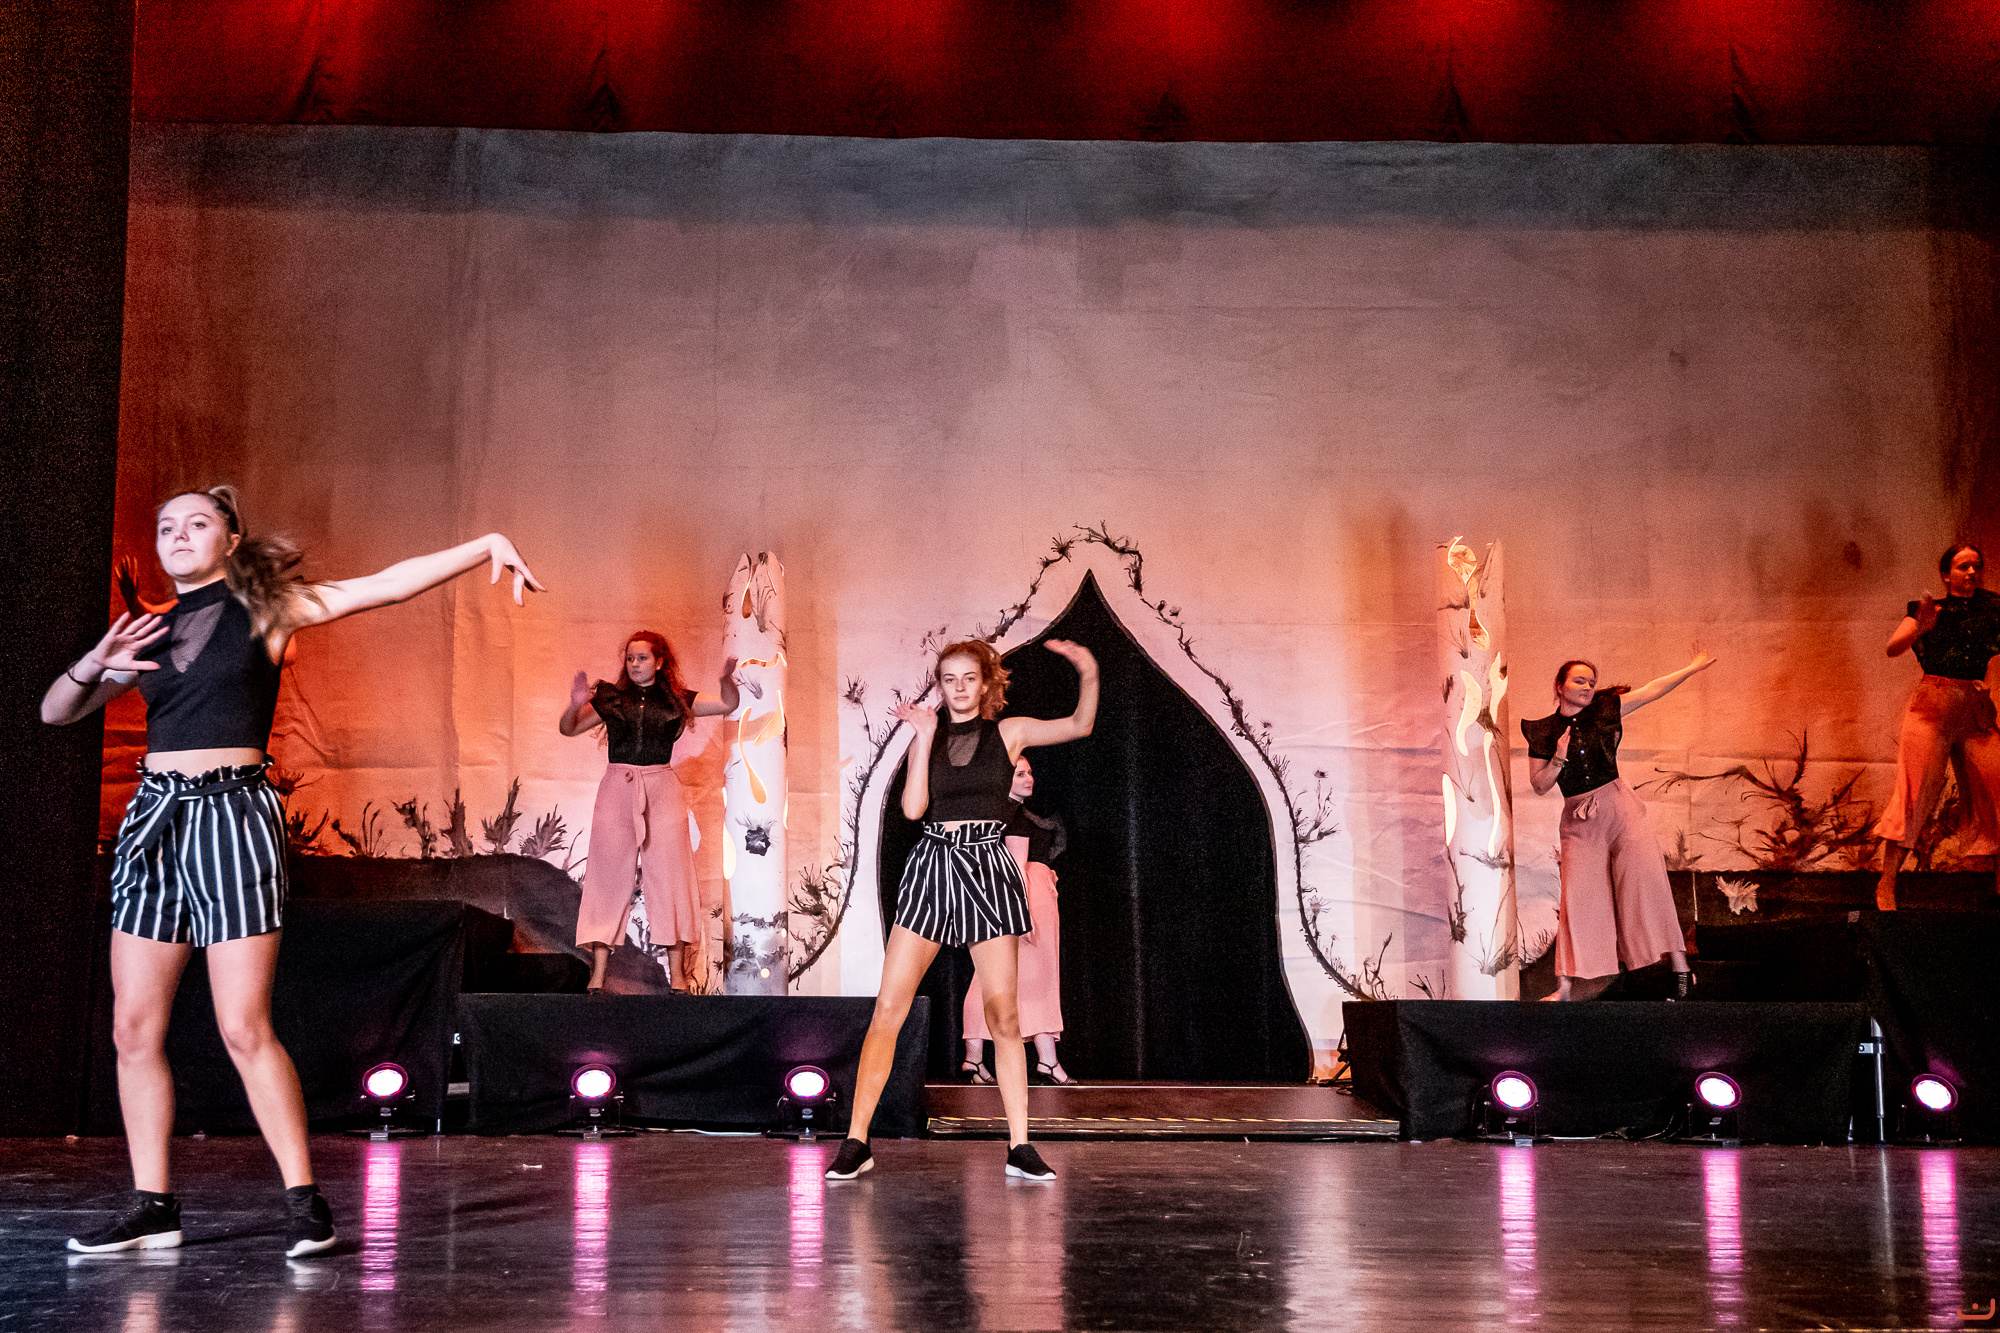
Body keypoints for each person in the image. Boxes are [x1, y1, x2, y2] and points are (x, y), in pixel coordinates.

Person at [42, 486, 542, 1256]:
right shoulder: (147, 630)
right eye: (167, 526)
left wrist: (485, 544)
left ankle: (305, 1201)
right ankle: (153, 1205)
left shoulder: (265, 611)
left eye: (198, 523)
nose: (178, 534)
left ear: (231, 538)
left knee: (243, 1024)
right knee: (132, 1026)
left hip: (232, 816)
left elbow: (385, 585)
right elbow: (56, 711)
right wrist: (94, 663)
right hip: (155, 821)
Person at [827, 638, 1097, 1182]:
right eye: (949, 679)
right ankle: (857, 1141)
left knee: (1004, 1014)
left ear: (985, 682)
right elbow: (912, 809)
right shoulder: (928, 735)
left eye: (968, 678)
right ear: (940, 684)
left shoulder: (1008, 732)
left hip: (989, 864)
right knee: (889, 1007)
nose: (958, 687)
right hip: (933, 863)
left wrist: (1087, 670)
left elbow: (1079, 725)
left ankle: (1020, 1146)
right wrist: (924, 735)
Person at [1522, 653, 1714, 1001]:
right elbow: (1539, 784)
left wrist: (1691, 668)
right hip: (1579, 818)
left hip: (1619, 806)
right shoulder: (1543, 731)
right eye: (1579, 680)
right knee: (1578, 898)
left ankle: (1681, 970)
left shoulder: (1605, 711)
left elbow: (1651, 691)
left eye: (1591, 682)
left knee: (1646, 883)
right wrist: (1559, 757)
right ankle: (1565, 988)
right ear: (1560, 686)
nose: (1587, 687)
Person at [559, 632, 737, 991]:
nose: (635, 664)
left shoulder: (676, 699)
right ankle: (598, 975)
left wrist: (725, 680)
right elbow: (569, 728)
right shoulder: (612, 698)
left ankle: (678, 977)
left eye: (642, 658)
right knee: (607, 876)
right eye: (630, 658)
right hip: (617, 785)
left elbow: (726, 704)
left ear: (659, 662)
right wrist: (574, 704)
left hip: (661, 786)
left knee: (671, 876)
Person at [1873, 543, 2000, 910]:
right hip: (1933, 706)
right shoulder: (1928, 610)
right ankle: (1887, 883)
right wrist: (1921, 628)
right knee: (1915, 793)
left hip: (1975, 708)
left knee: (1997, 790)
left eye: (1976, 566)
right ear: (1946, 575)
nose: (1972, 572)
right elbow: (1892, 647)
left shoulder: (1992, 609)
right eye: (1963, 566)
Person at [962, 757, 1072, 1085]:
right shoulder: (1013, 816)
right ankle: (1047, 1061)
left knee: (997, 977)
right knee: (1031, 980)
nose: (1029, 778)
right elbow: (1016, 869)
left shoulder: (1005, 813)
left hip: (1018, 896)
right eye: (1020, 774)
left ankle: (977, 1058)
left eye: (1030, 772)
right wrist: (1023, 914)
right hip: (1027, 898)